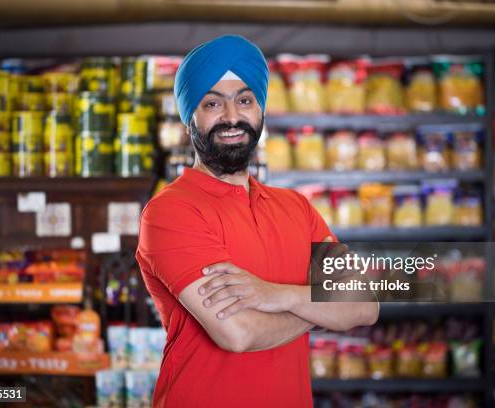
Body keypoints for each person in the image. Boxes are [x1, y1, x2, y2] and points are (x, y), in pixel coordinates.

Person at [136, 34, 379, 408]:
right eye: (213, 102)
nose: (232, 117)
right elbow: (238, 332)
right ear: (189, 119)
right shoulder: (171, 211)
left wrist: (275, 295)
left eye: (245, 100)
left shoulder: (296, 208)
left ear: (260, 111)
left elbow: (364, 304)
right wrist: (322, 311)